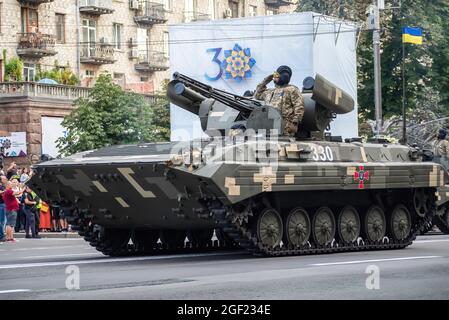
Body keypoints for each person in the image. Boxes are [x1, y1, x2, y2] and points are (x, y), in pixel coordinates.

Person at [254, 65, 305, 137]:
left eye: (276, 76)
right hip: (268, 126)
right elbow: (257, 95)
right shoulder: (270, 92)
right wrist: (266, 80)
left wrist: (294, 122)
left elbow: (299, 106)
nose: (274, 78)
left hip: (284, 127)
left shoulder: (292, 90)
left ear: (283, 77)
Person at [0, 175, 7, 242]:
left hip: (2, 204)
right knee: (1, 221)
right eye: (4, 179)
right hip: (1, 205)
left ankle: (2, 236)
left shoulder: (3, 186)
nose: (5, 180)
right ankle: (1, 236)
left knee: (2, 221)